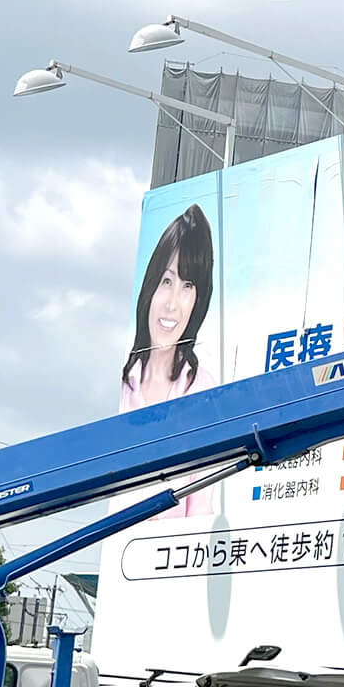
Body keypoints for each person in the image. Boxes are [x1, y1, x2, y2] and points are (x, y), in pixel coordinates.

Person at [119, 203, 216, 516]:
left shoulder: (202, 392)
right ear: (150, 286)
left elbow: (200, 506)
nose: (173, 304)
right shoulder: (123, 385)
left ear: (198, 300)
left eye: (188, 286)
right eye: (167, 281)